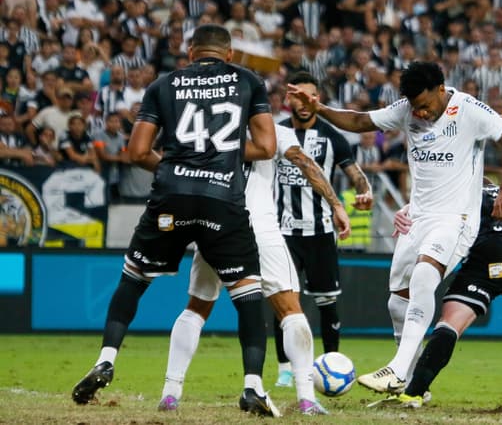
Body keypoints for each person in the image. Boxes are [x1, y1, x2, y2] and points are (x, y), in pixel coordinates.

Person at [70, 24, 281, 417]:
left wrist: (174, 165)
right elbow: (267, 147)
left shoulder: (164, 85)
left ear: (190, 53)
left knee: (133, 279)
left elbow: (136, 152)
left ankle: (107, 358)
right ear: (229, 55)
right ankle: (253, 385)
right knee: (248, 295)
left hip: (171, 198)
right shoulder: (248, 81)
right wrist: (226, 159)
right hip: (222, 201)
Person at [287, 61, 502, 394]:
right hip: (418, 216)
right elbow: (360, 121)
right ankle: (416, 383)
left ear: (441, 90)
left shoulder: (471, 111)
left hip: (455, 218)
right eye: (415, 107)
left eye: (425, 106)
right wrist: (319, 108)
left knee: (423, 277)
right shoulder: (406, 109)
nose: (419, 113)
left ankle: (399, 370)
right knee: (397, 302)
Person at [159, 124, 352, 416]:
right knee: (290, 310)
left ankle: (170, 393)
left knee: (196, 308)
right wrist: (335, 203)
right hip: (259, 227)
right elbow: (305, 163)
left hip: (214, 224)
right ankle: (306, 398)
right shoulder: (273, 130)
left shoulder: (210, 128)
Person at [384, 180, 502, 408]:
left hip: (489, 255)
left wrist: (405, 209)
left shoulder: (467, 193)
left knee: (450, 324)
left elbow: (432, 210)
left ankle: (414, 393)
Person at [272, 71, 373, 388]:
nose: (303, 102)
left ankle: (332, 362)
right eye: (297, 95)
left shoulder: (332, 137)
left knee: (327, 302)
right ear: (288, 99)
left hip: (320, 232)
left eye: (309, 96)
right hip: (282, 232)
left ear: (317, 99)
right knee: (283, 301)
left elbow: (354, 173)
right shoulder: (274, 132)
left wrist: (365, 190)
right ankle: (284, 369)